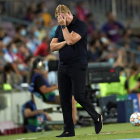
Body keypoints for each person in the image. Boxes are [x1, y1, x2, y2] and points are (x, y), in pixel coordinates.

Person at [50, 5, 102, 137]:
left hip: (78, 65)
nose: (61, 21)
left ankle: (96, 116)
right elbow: (52, 47)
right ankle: (68, 130)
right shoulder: (59, 27)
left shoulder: (80, 25)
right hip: (63, 66)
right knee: (64, 99)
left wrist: (63, 28)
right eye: (58, 19)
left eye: (62, 18)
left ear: (68, 13)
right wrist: (64, 41)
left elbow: (71, 40)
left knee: (78, 95)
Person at [29, 57, 78, 124]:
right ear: (39, 65)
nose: (44, 67)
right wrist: (57, 86)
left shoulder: (36, 76)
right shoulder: (38, 77)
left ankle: (71, 120)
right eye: (43, 65)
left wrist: (45, 77)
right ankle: (74, 121)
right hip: (48, 99)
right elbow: (44, 90)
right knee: (71, 99)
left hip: (46, 98)